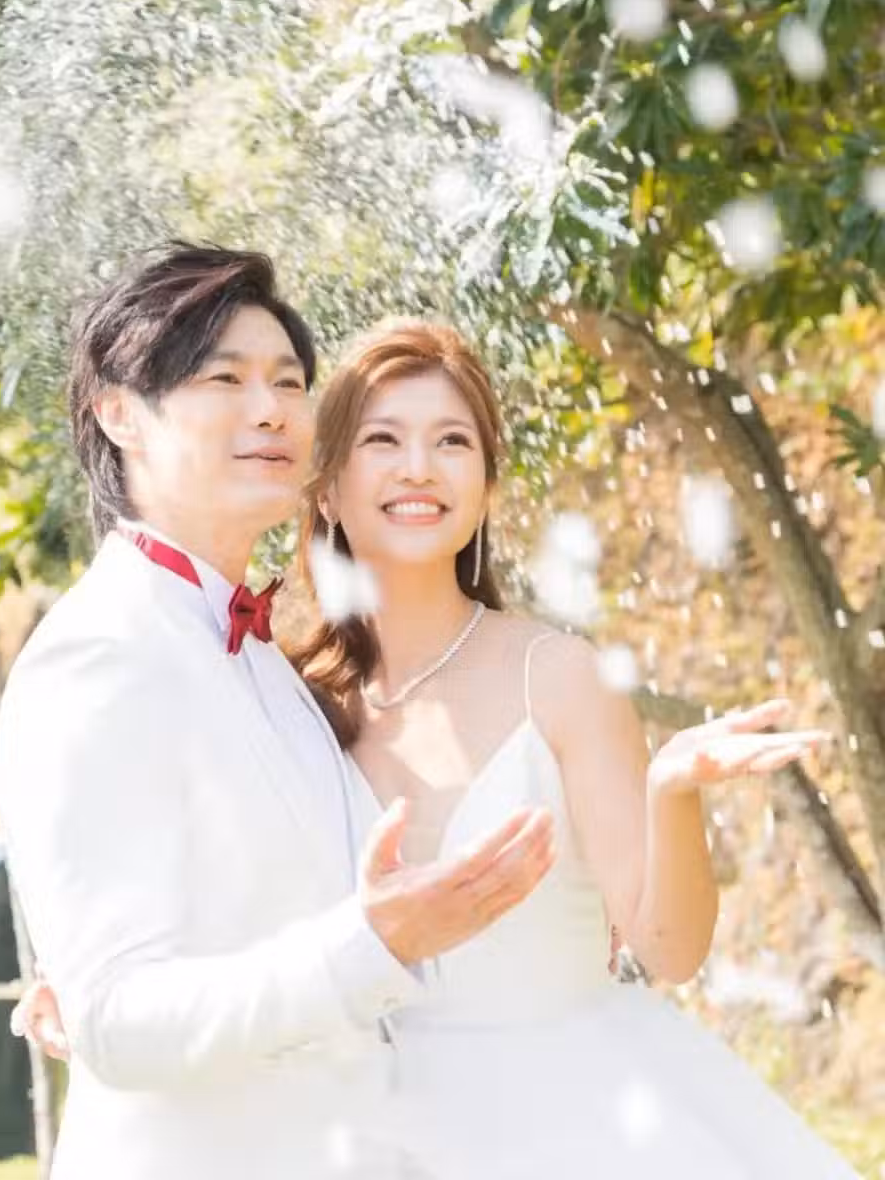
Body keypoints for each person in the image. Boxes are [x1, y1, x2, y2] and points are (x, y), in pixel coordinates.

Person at [0, 247, 556, 1180]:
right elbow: (119, 1023)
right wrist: (374, 944)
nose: (272, 409)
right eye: (226, 380)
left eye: (289, 382)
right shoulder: (97, 658)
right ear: (120, 413)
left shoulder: (258, 652)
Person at [288, 319, 859, 1178]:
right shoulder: (292, 701)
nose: (419, 468)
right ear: (328, 487)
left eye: (452, 441)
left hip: (579, 1119)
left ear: (486, 485)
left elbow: (668, 951)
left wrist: (670, 793)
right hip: (368, 1131)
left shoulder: (556, 677)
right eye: (383, 440)